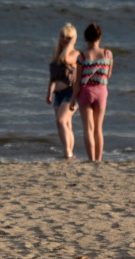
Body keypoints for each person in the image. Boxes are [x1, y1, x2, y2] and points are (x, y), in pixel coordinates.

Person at [69, 23, 113, 162]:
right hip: (101, 91)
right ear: (100, 37)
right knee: (98, 129)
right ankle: (98, 160)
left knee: (88, 129)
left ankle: (91, 159)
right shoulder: (108, 54)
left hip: (86, 92)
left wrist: (72, 100)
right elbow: (108, 75)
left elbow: (78, 81)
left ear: (85, 38)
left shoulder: (82, 57)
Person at [46, 23, 80, 160]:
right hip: (58, 95)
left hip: (70, 93)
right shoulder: (56, 55)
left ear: (73, 39)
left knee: (61, 121)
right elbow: (52, 77)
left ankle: (68, 154)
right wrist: (49, 93)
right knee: (65, 124)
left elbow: (64, 59)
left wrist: (70, 45)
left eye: (68, 37)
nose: (64, 39)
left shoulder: (74, 54)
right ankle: (69, 152)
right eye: (62, 36)